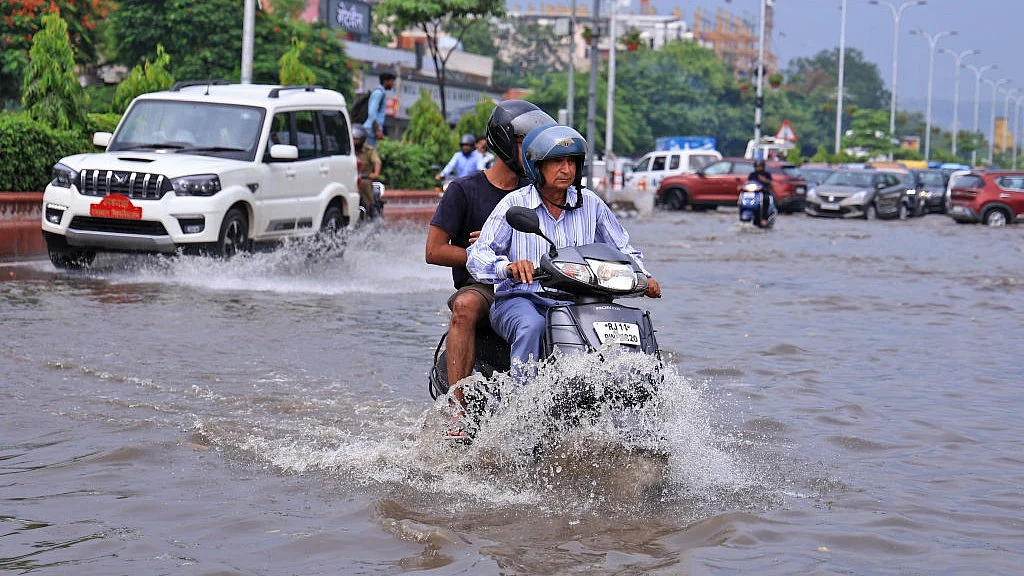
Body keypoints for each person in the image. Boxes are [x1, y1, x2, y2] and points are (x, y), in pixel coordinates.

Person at [466, 124, 662, 376]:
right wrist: (508, 267)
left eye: (572, 162)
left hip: (580, 301)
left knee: (626, 327)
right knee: (532, 326)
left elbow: (623, 247)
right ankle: (522, 404)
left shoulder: (591, 204)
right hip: (522, 300)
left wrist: (644, 276)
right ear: (536, 165)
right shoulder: (514, 203)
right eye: (557, 162)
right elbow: (478, 255)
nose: (566, 169)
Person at [426, 101, 556, 439]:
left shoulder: (544, 193)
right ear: (502, 142)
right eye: (526, 143)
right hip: (487, 283)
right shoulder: (464, 190)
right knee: (465, 306)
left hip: (540, 279)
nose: (535, 152)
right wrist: (480, 250)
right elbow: (434, 250)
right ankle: (458, 409)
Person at [352, 125, 381, 218]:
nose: (354, 141)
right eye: (353, 138)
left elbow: (377, 161)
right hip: (350, 178)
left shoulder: (369, 151)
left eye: (356, 139)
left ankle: (372, 209)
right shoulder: (348, 150)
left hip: (365, 178)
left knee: (364, 184)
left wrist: (375, 173)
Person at [363, 72, 395, 147]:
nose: (393, 84)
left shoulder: (381, 93)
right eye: (392, 81)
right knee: (369, 154)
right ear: (386, 81)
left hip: (372, 130)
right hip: (370, 130)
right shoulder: (378, 93)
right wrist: (378, 130)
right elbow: (372, 112)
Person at [748, 158, 774, 227]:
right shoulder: (752, 175)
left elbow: (771, 183)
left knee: (765, 200)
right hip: (753, 194)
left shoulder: (766, 174)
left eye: (760, 166)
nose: (758, 168)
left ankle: (764, 219)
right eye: (757, 166)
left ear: (763, 167)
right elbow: (748, 183)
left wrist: (764, 180)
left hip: (763, 193)